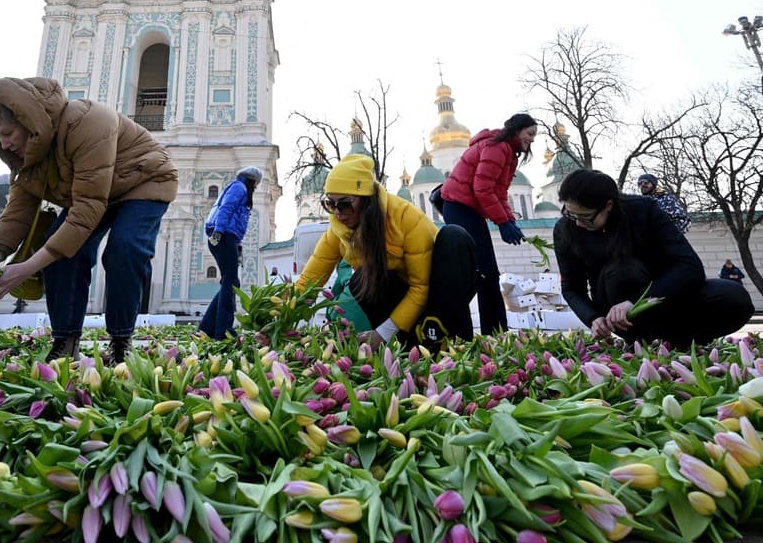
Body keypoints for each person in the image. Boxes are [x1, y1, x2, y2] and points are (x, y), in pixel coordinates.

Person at [0, 77, 177, 364]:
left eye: (7, 132)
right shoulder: (26, 159)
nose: (3, 143)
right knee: (62, 255)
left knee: (125, 249)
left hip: (143, 180)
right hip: (93, 195)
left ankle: (121, 342)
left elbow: (87, 209)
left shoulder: (87, 121)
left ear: (28, 120)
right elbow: (16, 216)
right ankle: (65, 342)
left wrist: (26, 268)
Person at [295, 154, 476, 352]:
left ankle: (441, 335)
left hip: (437, 294)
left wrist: (382, 333)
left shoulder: (406, 217)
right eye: (330, 204)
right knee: (362, 280)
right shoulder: (338, 230)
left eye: (345, 204)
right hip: (403, 300)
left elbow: (420, 287)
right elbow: (309, 280)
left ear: (366, 200)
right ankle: (406, 343)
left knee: (454, 236)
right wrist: (280, 317)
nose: (337, 213)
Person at [554, 169, 751, 345]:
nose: (577, 223)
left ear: (608, 205)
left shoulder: (643, 209)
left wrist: (635, 301)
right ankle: (642, 339)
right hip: (617, 311)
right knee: (623, 271)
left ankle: (678, 340)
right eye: (570, 214)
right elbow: (572, 287)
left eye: (585, 217)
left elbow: (689, 266)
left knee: (733, 297)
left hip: (664, 295)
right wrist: (593, 318)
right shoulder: (565, 230)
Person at [440, 113, 539, 334]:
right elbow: (482, 189)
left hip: (466, 208)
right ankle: (493, 333)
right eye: (530, 133)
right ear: (517, 130)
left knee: (484, 273)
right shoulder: (498, 148)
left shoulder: (508, 152)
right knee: (485, 272)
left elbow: (499, 192)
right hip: (459, 206)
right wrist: (502, 222)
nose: (532, 139)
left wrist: (510, 220)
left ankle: (487, 330)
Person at [199, 166, 262, 340]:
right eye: (256, 184)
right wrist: (218, 231)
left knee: (230, 281)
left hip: (229, 237)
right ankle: (224, 330)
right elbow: (226, 208)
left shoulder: (239, 188)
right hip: (223, 236)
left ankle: (206, 328)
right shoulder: (239, 187)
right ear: (252, 181)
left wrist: (238, 246)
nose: (256, 187)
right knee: (231, 283)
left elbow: (237, 221)